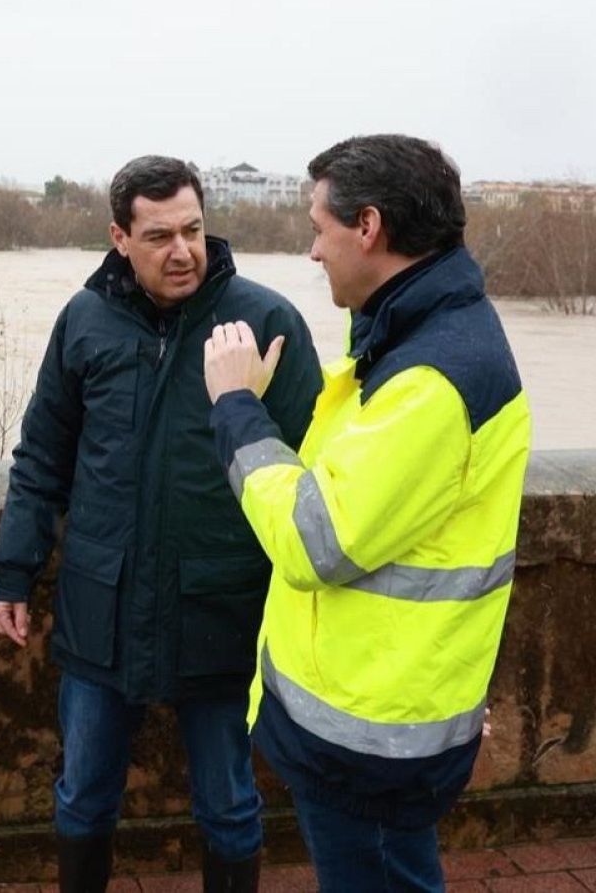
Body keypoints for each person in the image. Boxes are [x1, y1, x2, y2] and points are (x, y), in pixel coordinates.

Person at [202, 134, 531, 892]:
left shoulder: (436, 376)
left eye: (320, 229)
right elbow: (373, 484)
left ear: (369, 227)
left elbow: (313, 540)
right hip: (375, 709)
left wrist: (237, 408)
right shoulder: (413, 335)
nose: (313, 252)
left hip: (374, 732)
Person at [0, 155, 322, 893]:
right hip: (100, 602)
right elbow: (43, 455)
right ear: (120, 237)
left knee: (230, 804)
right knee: (83, 794)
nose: (183, 251)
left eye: (194, 231)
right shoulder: (84, 320)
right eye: (160, 235)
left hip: (220, 604)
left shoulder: (265, 322)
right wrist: (14, 570)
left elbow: (318, 474)